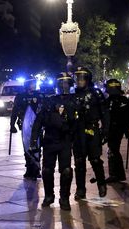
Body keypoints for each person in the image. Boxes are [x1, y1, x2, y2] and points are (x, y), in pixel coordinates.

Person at [30, 72, 76, 210]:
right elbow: (38, 121)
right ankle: (49, 196)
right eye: (61, 83)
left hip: (65, 140)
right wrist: (33, 139)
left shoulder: (74, 101)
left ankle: (64, 198)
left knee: (66, 171)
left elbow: (79, 122)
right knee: (47, 170)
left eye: (66, 83)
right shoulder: (48, 101)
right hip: (50, 139)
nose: (64, 86)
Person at [72, 66, 107, 199]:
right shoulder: (74, 94)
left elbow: (105, 113)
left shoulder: (96, 93)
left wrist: (105, 130)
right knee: (79, 162)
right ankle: (81, 190)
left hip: (92, 129)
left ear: (87, 79)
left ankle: (101, 184)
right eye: (77, 78)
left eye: (82, 78)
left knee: (95, 160)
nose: (79, 81)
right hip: (78, 132)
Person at [10, 78, 45, 181]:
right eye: (31, 84)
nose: (33, 85)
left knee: (37, 147)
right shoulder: (20, 97)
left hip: (37, 126)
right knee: (26, 147)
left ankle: (37, 168)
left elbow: (43, 111)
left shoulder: (39, 96)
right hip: (25, 126)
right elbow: (15, 111)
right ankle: (29, 168)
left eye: (34, 84)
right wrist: (12, 124)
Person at [102, 79, 129, 183]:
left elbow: (127, 117)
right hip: (114, 130)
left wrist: (126, 130)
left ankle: (116, 174)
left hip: (115, 130)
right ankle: (117, 174)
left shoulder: (116, 101)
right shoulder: (115, 101)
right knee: (113, 151)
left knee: (113, 151)